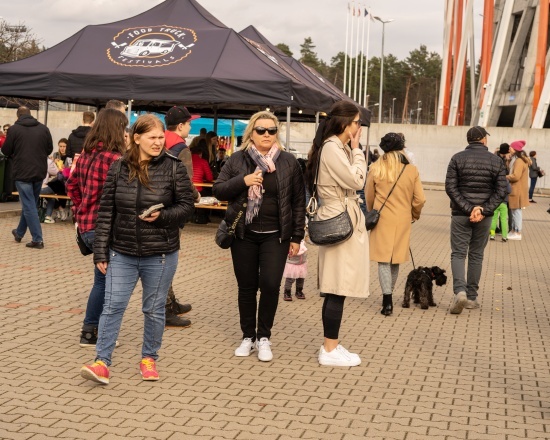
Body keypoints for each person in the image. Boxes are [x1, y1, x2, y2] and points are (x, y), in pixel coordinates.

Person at [80, 114, 195, 384]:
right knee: (112, 306)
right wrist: (100, 251)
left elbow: (187, 207)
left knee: (153, 309)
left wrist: (163, 216)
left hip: (162, 253)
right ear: (136, 138)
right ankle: (101, 363)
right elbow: (106, 211)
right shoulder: (118, 167)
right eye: (152, 137)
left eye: (160, 138)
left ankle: (149, 358)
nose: (158, 143)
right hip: (122, 251)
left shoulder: (174, 167)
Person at [213, 111, 305, 363]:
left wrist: (297, 236)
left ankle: (264, 337)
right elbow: (219, 189)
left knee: (270, 286)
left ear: (277, 133)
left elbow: (298, 202)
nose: (266, 135)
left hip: (276, 236)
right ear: (251, 133)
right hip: (244, 234)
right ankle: (247, 337)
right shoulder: (237, 160)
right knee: (246, 287)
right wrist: (243, 180)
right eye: (261, 130)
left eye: (271, 130)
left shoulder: (288, 162)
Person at [305, 100, 368, 367]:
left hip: (341, 215)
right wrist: (357, 151)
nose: (359, 127)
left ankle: (331, 344)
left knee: (338, 287)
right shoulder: (333, 148)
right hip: (339, 218)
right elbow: (357, 181)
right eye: (357, 122)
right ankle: (329, 349)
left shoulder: (333, 147)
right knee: (336, 286)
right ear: (344, 123)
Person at [66, 108, 128, 347]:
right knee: (108, 284)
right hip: (107, 229)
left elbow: (71, 187)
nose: (125, 133)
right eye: (123, 128)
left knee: (102, 281)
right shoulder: (114, 159)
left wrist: (81, 211)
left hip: (87, 227)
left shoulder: (86, 155)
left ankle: (92, 331)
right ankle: (96, 332)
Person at [445, 126, 507, 314]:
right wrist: (483, 210)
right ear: (482, 139)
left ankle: (460, 292)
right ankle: (471, 297)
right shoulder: (496, 161)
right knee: (476, 254)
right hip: (484, 216)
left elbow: (450, 187)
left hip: (460, 214)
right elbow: (501, 190)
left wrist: (468, 208)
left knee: (458, 254)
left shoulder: (457, 158)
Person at [366, 133, 426, 316]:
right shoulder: (411, 170)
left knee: (383, 261)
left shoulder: (375, 168)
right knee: (395, 260)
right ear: (401, 148)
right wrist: (413, 215)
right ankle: (389, 296)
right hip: (402, 220)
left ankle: (387, 300)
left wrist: (373, 211)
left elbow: (369, 196)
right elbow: (420, 199)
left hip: (382, 219)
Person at [163, 105, 201, 327]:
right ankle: (166, 309)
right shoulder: (181, 149)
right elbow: (186, 184)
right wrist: (197, 197)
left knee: (162, 258)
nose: (190, 126)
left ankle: (171, 302)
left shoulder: (157, 141)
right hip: (173, 210)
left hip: (156, 206)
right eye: (188, 123)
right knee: (167, 260)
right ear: (180, 126)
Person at [2, 106, 53, 249]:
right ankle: (19, 233)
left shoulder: (14, 129)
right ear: (31, 115)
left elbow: (5, 150)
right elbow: (49, 149)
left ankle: (38, 239)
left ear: (18, 116)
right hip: (39, 173)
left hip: (22, 173)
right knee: (30, 203)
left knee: (29, 205)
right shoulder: (44, 128)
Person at [507, 140, 531, 241]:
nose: (509, 149)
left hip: (517, 189)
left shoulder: (519, 161)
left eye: (511, 147)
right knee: (515, 210)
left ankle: (517, 231)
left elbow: (516, 176)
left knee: (516, 211)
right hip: (517, 188)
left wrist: (505, 177)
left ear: (515, 149)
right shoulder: (518, 159)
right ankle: (514, 231)